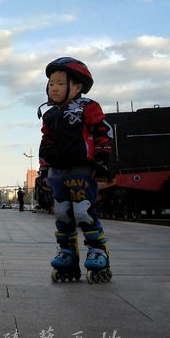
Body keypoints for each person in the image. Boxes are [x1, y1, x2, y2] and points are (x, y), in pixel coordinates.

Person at [38, 57, 113, 283]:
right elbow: (46, 142)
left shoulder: (88, 107)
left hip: (82, 170)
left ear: (78, 86)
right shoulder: (49, 114)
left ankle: (98, 251)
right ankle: (67, 252)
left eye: (60, 83)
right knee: (62, 213)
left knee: (83, 212)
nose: (54, 88)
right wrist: (44, 170)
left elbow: (103, 132)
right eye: (51, 83)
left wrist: (102, 160)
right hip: (57, 172)